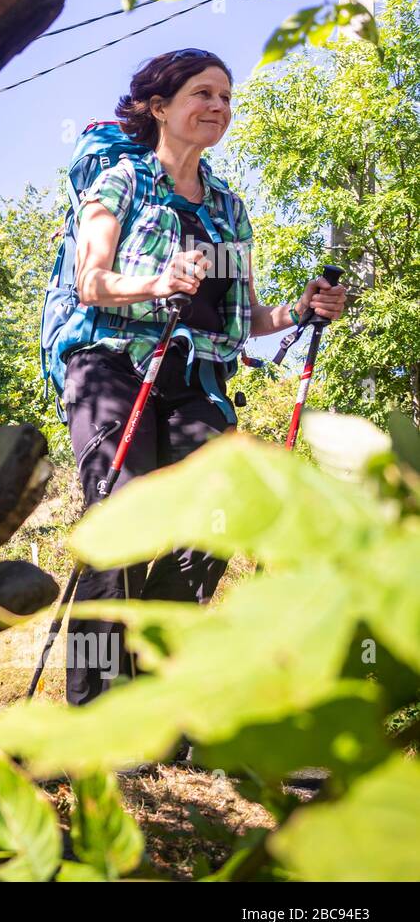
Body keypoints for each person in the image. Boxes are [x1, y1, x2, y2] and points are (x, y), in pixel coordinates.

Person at [64, 48, 346, 706]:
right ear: (160, 106)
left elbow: (244, 318)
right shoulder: (121, 182)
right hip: (111, 362)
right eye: (203, 93)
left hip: (196, 376)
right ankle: (94, 707)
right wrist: (157, 282)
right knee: (121, 507)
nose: (218, 106)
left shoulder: (228, 208)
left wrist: (300, 309)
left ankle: (154, 694)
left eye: (225, 96)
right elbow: (91, 281)